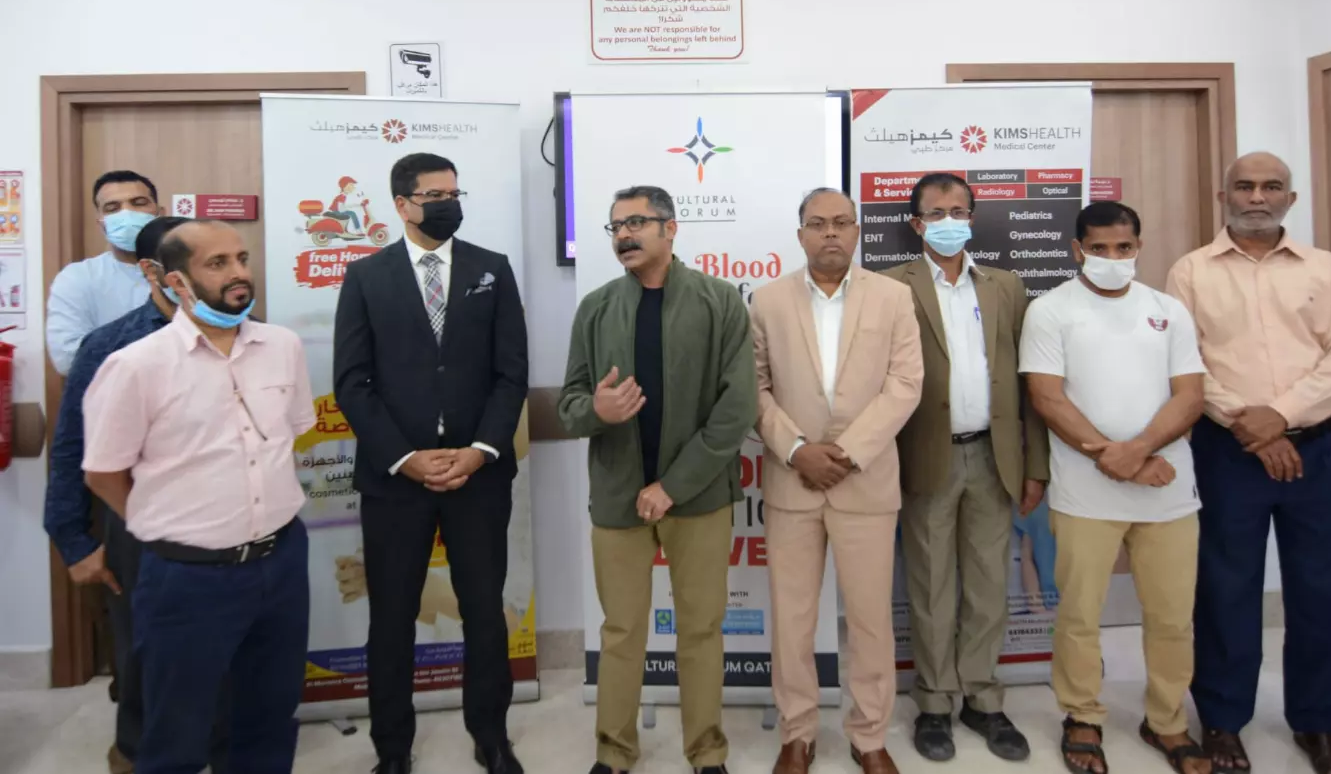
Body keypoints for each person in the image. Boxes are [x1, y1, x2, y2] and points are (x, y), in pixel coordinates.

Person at [1166, 152, 1331, 774]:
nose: (1257, 196)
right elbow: (1185, 361)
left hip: (1323, 451)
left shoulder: (1325, 269)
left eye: (1271, 186)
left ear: (1291, 197)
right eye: (1245, 186)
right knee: (1225, 589)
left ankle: (1320, 726)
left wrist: (1280, 415)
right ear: (1223, 195)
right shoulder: (1191, 271)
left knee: (1324, 592)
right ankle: (1223, 721)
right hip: (1227, 452)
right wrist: (1252, 427)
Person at [81, 220, 314, 774]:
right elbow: (103, 473)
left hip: (280, 561)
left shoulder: (282, 346)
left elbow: (291, 435)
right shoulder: (136, 365)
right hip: (187, 577)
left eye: (241, 259)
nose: (238, 273)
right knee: (176, 729)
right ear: (175, 282)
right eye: (217, 263)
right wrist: (166, 522)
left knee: (269, 715)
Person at [333, 152, 529, 774]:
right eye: (434, 195)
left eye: (454, 193)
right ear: (402, 204)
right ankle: (392, 748)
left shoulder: (492, 269)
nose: (448, 203)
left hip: (479, 476)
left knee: (484, 611)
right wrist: (404, 458)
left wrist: (480, 451)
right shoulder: (365, 277)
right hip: (397, 483)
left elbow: (511, 373)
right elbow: (353, 382)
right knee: (392, 618)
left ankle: (491, 736)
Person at [558, 185, 756, 774]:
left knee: (700, 629)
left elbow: (736, 409)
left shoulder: (720, 301)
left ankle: (708, 752)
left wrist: (671, 486)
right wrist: (598, 411)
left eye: (637, 222)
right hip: (617, 497)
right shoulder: (596, 307)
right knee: (621, 630)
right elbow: (570, 405)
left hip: (698, 496)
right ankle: (614, 752)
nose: (624, 234)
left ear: (671, 229)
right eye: (615, 226)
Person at [1020, 201, 1209, 774]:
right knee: (1080, 614)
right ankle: (1082, 715)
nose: (1112, 258)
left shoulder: (1167, 310)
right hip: (1086, 493)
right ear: (1077, 250)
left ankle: (1167, 720)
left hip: (1167, 491)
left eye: (1123, 248)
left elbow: (1190, 396)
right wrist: (1118, 458)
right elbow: (1047, 398)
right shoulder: (1050, 310)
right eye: (1098, 248)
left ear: (1138, 247)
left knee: (1172, 617)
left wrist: (1139, 450)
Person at [44, 216, 233, 774]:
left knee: (226, 656)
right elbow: (72, 448)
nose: (227, 273)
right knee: (146, 659)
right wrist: (74, 542)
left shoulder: (247, 337)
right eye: (209, 262)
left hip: (230, 525)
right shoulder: (112, 345)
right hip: (141, 527)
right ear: (156, 273)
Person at [752, 187, 922, 774]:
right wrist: (797, 450)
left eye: (842, 222)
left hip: (865, 482)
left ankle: (869, 736)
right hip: (792, 483)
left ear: (857, 232)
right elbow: (753, 387)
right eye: (818, 223)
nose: (830, 232)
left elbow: (905, 384)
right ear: (800, 233)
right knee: (792, 619)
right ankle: (797, 733)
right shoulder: (767, 300)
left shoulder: (894, 297)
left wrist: (846, 453)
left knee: (871, 621)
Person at [879, 172, 1046, 763]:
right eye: (936, 212)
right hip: (926, 456)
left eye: (959, 211)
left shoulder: (1005, 285)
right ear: (916, 223)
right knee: (930, 586)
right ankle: (933, 702)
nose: (949, 221)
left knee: (988, 584)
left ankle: (982, 696)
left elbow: (1030, 382)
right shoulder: (889, 287)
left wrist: (1035, 465)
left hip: (995, 457)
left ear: (972, 218)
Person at [46, 170, 161, 375]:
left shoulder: (187, 272)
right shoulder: (77, 278)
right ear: (101, 222)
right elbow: (68, 358)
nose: (126, 214)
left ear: (159, 213)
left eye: (138, 203)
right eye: (112, 208)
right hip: (108, 393)